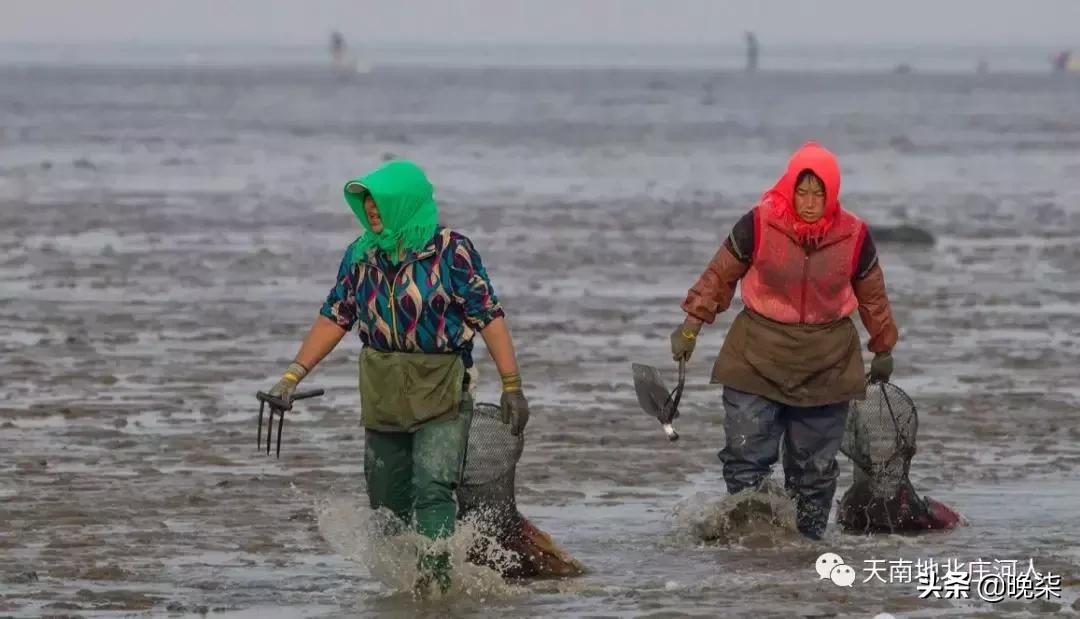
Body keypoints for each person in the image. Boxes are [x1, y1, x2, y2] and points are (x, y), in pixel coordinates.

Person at [264, 159, 530, 591]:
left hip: (442, 384)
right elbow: (336, 315)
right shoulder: (360, 253)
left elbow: (490, 317)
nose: (371, 210)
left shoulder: (451, 251)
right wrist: (292, 375)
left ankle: (437, 582)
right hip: (383, 386)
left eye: (380, 201)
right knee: (386, 498)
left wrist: (512, 386)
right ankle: (403, 582)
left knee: (432, 486)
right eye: (366, 202)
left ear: (404, 202)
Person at [670, 142, 899, 540]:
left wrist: (883, 346)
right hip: (757, 352)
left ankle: (805, 547)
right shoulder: (759, 224)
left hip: (828, 361)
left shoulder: (855, 236)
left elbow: (873, 296)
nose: (809, 202)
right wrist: (691, 326)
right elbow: (719, 276)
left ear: (832, 195)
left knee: (813, 471)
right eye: (802, 191)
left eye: (819, 193)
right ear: (789, 189)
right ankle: (748, 541)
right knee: (746, 456)